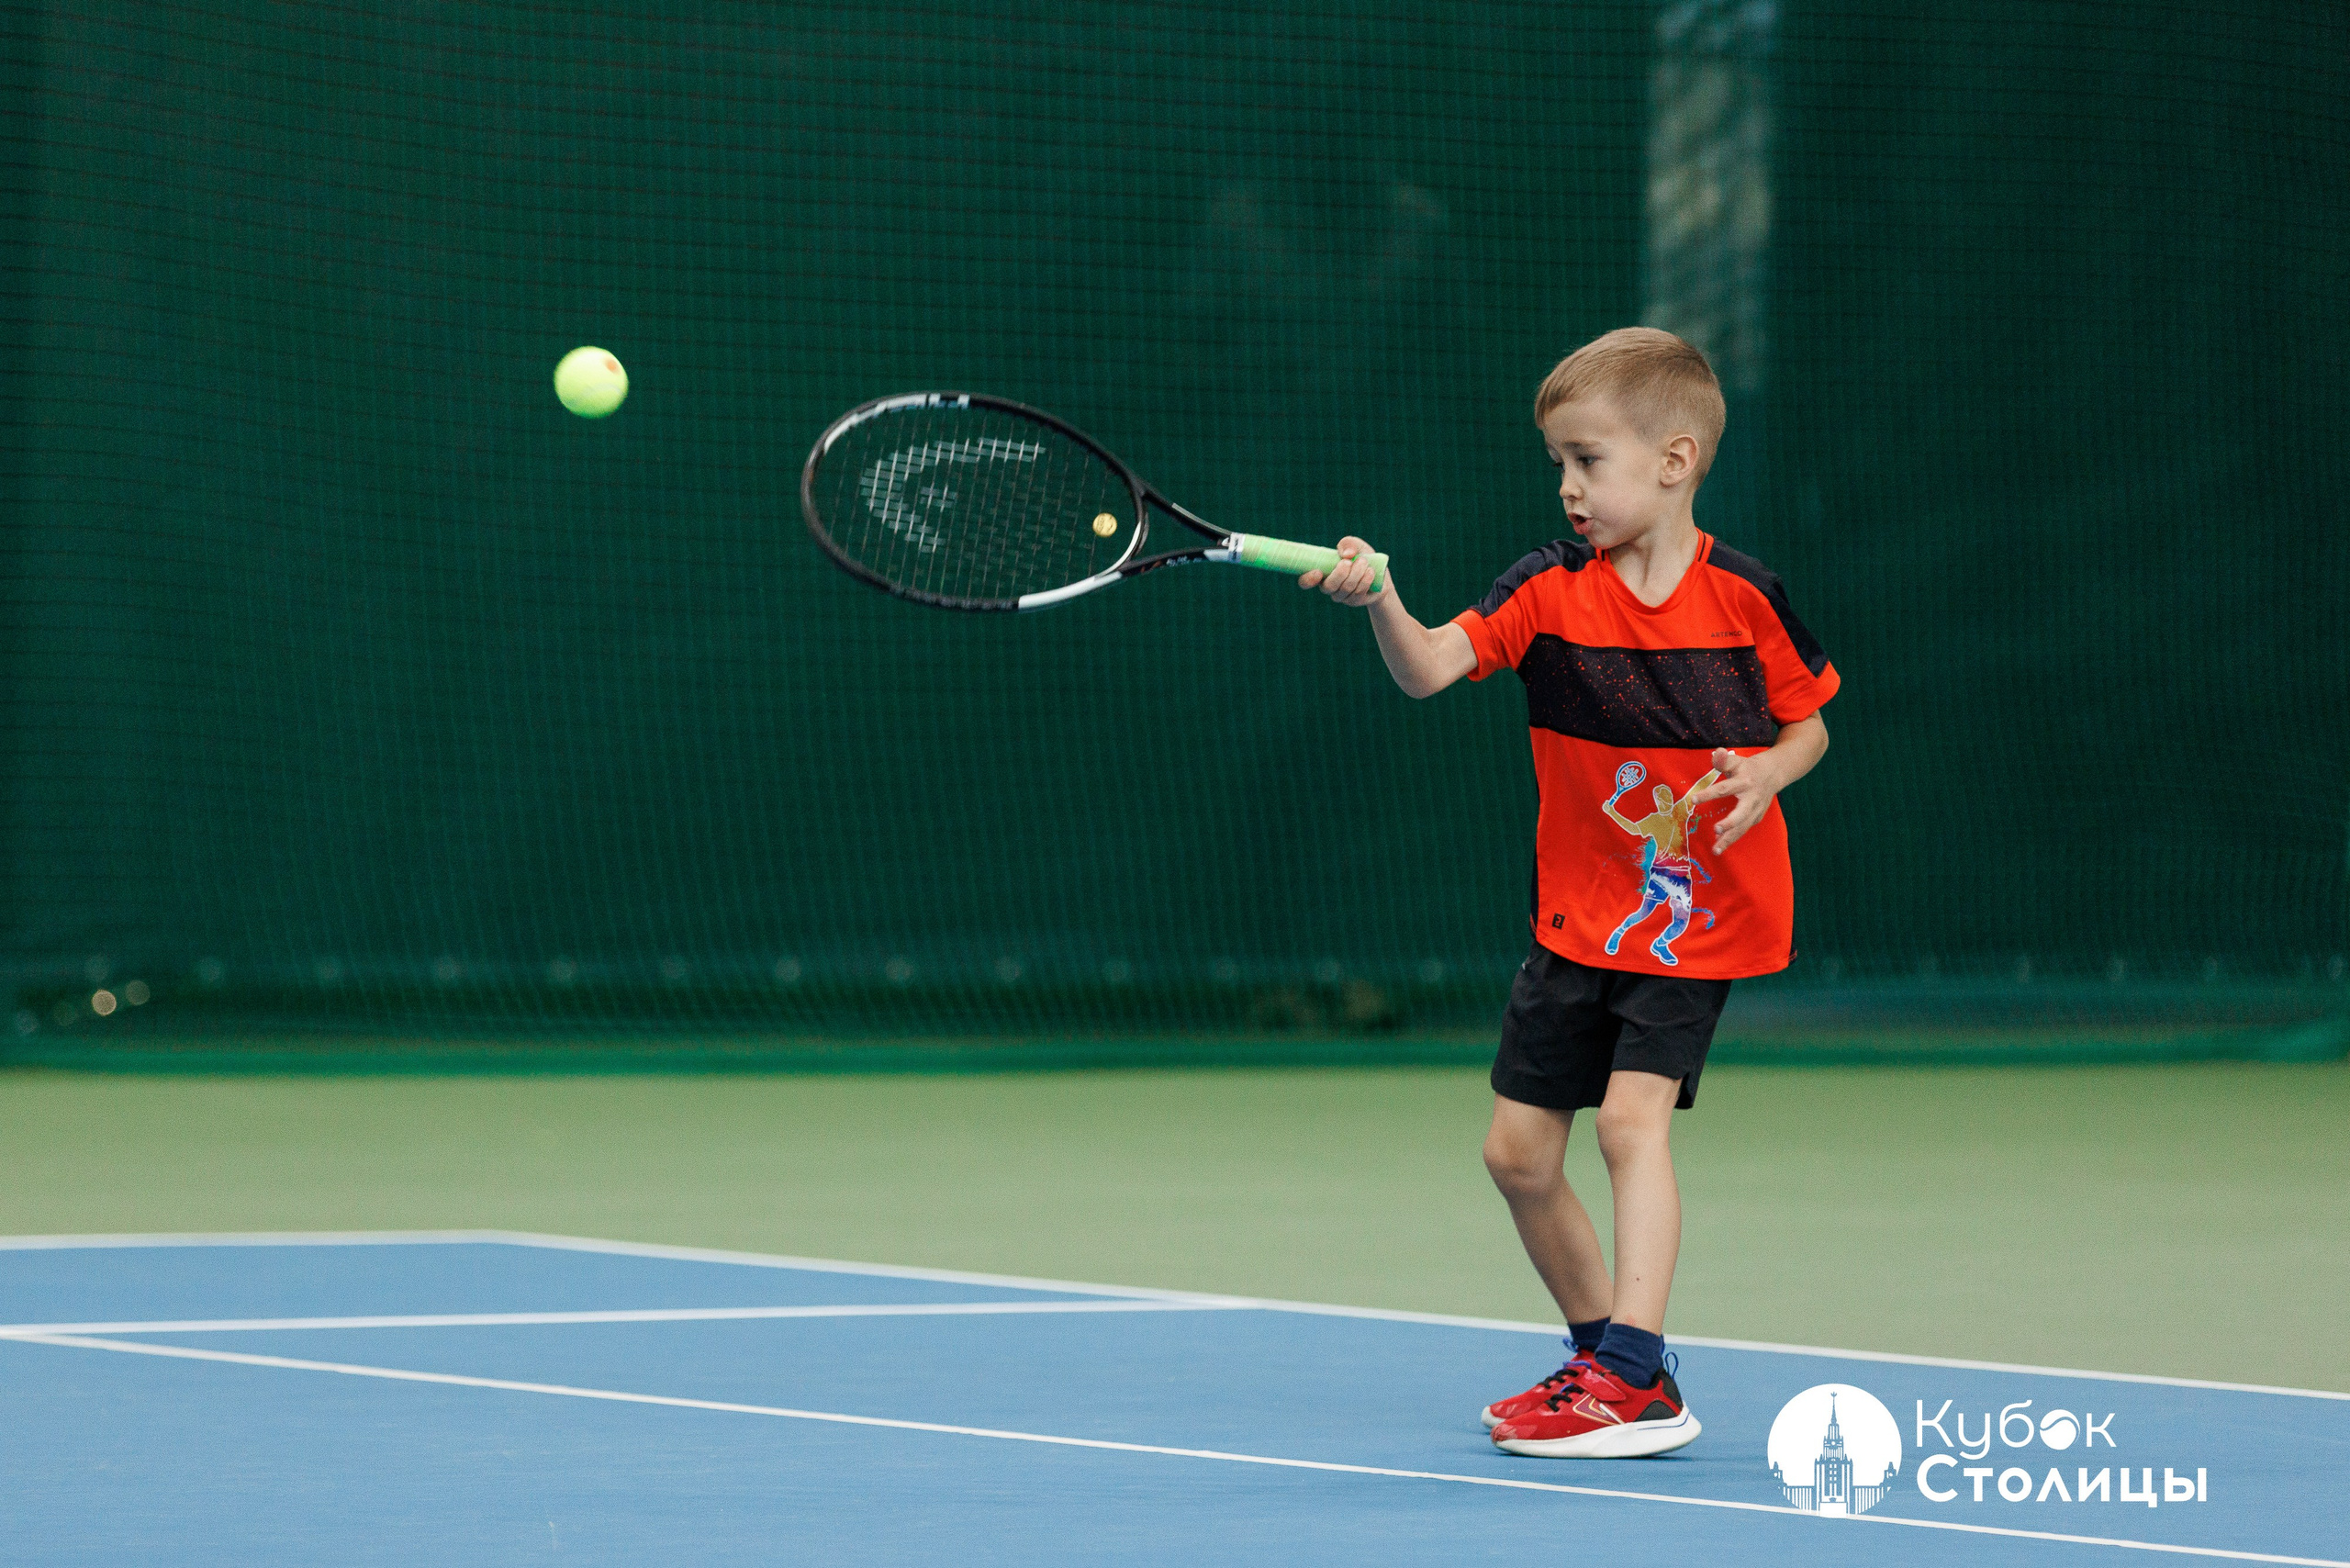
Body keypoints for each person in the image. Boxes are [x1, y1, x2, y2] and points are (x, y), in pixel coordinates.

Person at [1301, 327, 1838, 1458]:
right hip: (1576, 915)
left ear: (1674, 460)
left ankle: (1633, 1370)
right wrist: (1382, 598)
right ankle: (1608, 1364)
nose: (1567, 485)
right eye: (1558, 462)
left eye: (1587, 459)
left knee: (1632, 1123)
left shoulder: (1745, 599)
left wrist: (1768, 773)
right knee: (1516, 1154)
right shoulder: (1546, 587)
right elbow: (1433, 668)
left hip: (1699, 913)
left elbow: (1809, 723)